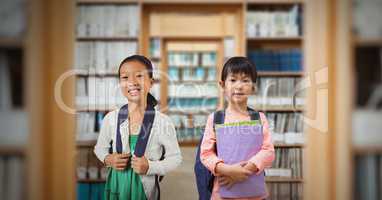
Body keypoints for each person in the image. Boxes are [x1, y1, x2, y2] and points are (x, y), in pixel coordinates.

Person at [94, 55, 182, 200]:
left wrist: (151, 167)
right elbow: (100, 148)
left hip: (143, 191)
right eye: (125, 77)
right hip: (116, 187)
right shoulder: (111, 118)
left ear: (151, 82)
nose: (132, 82)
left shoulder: (163, 122)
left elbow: (175, 158)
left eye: (139, 76)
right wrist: (108, 159)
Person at [200, 56, 275, 200]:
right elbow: (206, 154)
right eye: (233, 80)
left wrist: (244, 171)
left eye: (245, 80)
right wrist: (228, 170)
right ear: (222, 85)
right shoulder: (215, 119)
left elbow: (268, 151)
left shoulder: (259, 118)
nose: (239, 86)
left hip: (254, 193)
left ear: (253, 87)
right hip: (222, 192)